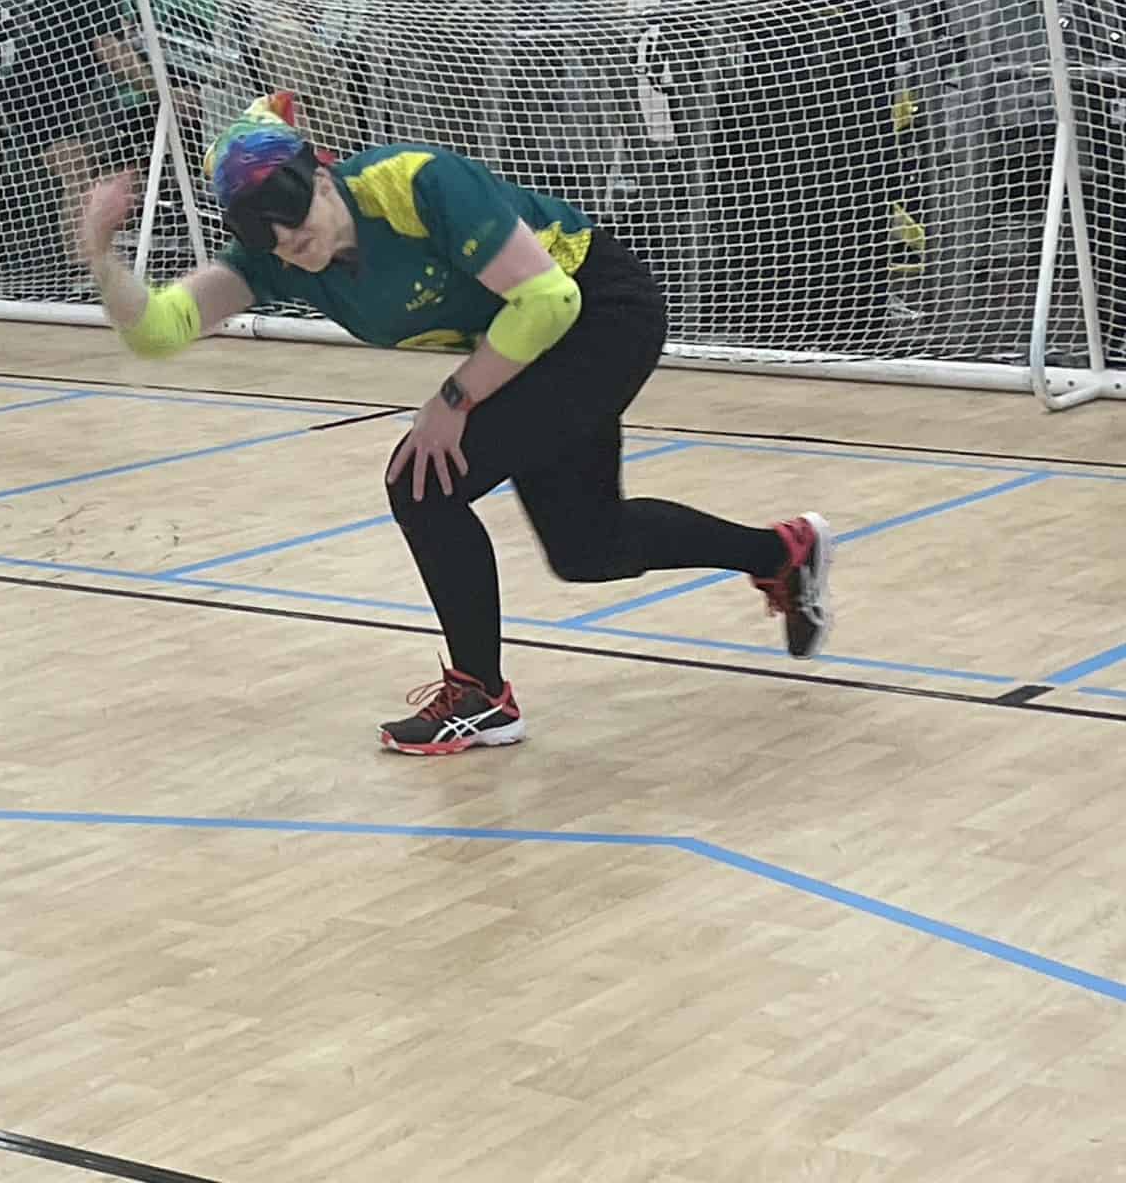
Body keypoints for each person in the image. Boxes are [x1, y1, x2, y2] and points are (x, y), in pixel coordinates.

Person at [77, 92, 833, 756]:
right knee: (587, 547)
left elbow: (550, 302)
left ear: (323, 172)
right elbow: (157, 332)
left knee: (422, 484)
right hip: (528, 347)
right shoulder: (277, 259)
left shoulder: (418, 183)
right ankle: (782, 552)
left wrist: (455, 399)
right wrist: (101, 254)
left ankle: (481, 698)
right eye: (266, 235)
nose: (289, 244)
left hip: (599, 311)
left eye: (293, 215)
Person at [15, 0, 202, 262]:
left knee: (103, 173)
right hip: (38, 98)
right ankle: (79, 275)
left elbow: (109, 37)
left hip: (73, 97)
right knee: (79, 177)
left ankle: (97, 263)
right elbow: (108, 49)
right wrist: (162, 91)